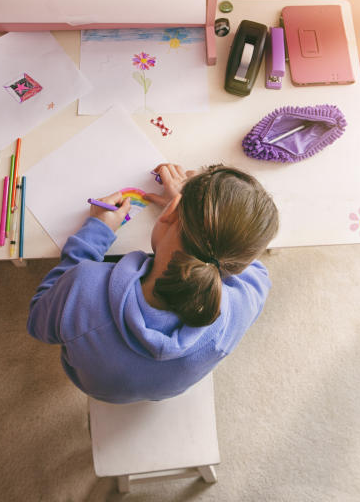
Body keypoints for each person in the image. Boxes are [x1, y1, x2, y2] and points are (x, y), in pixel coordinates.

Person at [27, 163, 279, 404]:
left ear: (170, 212)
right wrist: (194, 218)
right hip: (166, 390)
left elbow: (39, 319)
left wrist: (94, 235)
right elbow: (253, 268)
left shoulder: (83, 288)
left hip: (95, 386)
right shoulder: (241, 307)